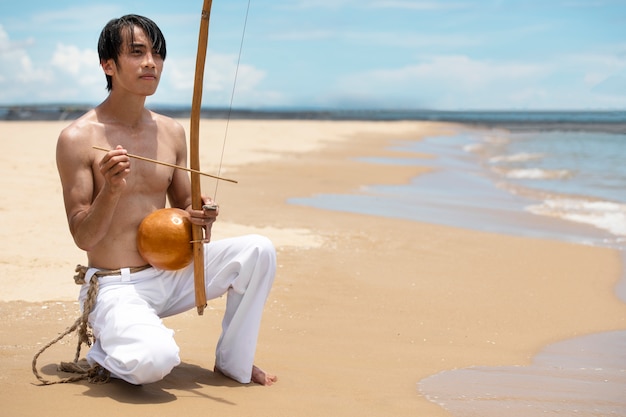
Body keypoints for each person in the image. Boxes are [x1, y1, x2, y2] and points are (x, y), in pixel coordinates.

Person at [56, 14, 277, 386]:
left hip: (170, 271)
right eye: (137, 53)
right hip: (116, 284)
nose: (151, 63)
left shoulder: (171, 131)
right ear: (107, 64)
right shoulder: (77, 138)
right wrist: (111, 190)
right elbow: (83, 236)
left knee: (258, 250)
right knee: (155, 362)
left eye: (157, 54)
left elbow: (184, 209)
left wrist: (202, 216)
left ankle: (233, 362)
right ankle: (105, 351)